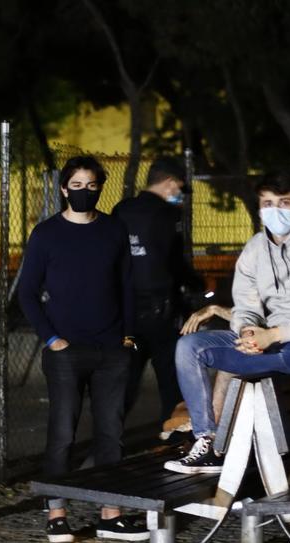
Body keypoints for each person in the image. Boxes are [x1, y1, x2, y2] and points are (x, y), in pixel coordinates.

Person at [165, 170, 290, 484]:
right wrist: (249, 331)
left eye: (284, 203)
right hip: (265, 347)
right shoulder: (254, 249)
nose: (275, 210)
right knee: (190, 346)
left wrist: (275, 334)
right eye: (268, 203)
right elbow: (246, 303)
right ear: (259, 207)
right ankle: (207, 442)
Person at [18, 156, 149, 543]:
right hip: (66, 351)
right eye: (76, 185)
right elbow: (27, 293)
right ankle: (57, 512)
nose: (84, 192)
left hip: (111, 348)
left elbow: (126, 285)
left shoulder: (113, 229)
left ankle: (111, 513)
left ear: (100, 188)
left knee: (112, 432)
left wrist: (128, 337)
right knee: (62, 432)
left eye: (92, 186)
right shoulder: (46, 234)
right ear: (63, 189)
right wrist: (51, 339)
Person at [111, 157, 200, 424]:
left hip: (125, 308)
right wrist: (195, 286)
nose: (179, 196)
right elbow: (172, 261)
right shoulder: (168, 215)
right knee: (171, 377)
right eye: (180, 189)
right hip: (161, 308)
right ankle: (172, 432)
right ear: (170, 183)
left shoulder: (121, 210)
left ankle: (109, 437)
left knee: (126, 378)